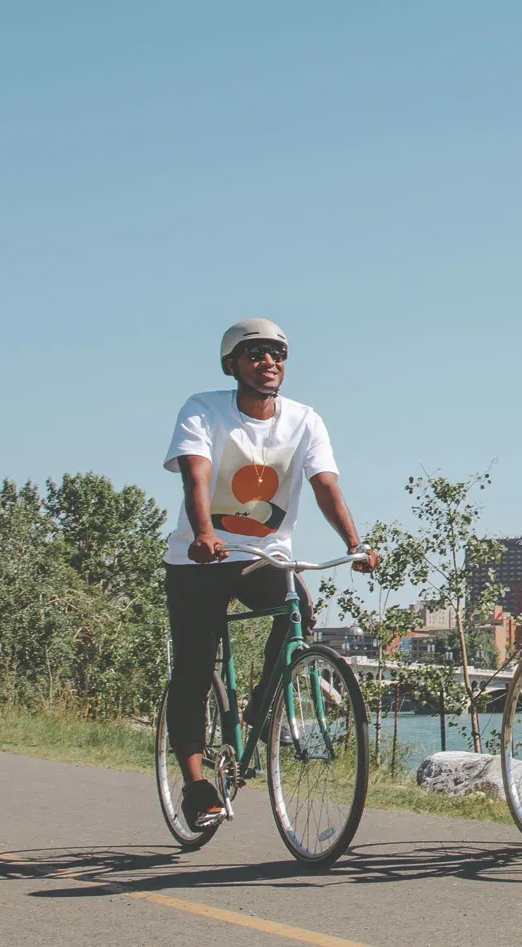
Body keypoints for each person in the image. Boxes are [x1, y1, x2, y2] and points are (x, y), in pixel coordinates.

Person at [161, 318, 376, 829]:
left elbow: (325, 486)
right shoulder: (203, 409)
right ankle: (196, 786)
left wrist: (355, 542)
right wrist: (204, 533)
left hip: (265, 557)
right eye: (254, 353)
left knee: (297, 609)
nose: (268, 362)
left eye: (277, 353)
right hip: (201, 558)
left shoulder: (305, 421)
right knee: (193, 670)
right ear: (231, 364)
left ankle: (265, 706)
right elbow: (197, 475)